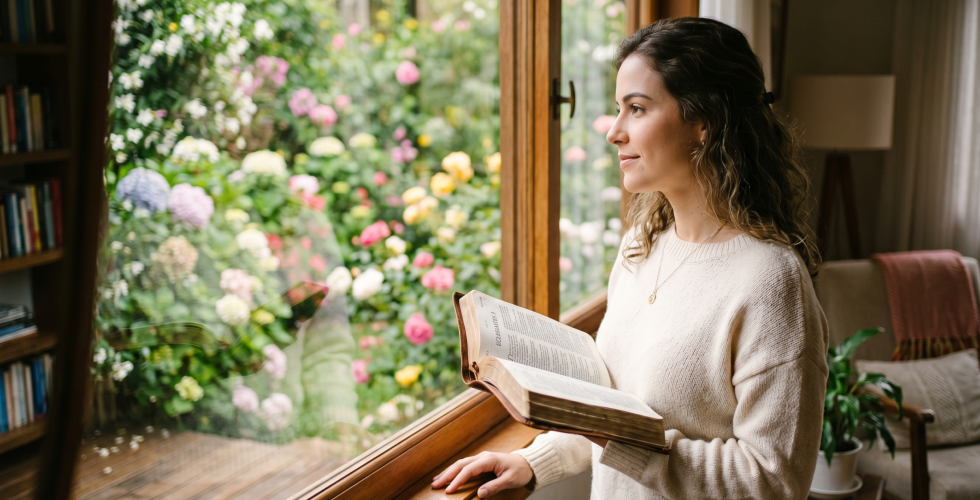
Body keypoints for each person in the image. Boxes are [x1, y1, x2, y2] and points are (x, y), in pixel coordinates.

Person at [431, 17, 829, 500]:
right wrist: (532, 461)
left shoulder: (770, 281)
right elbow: (614, 404)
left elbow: (774, 481)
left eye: (636, 108)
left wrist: (621, 439)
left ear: (705, 122)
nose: (614, 132)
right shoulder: (643, 244)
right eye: (617, 109)